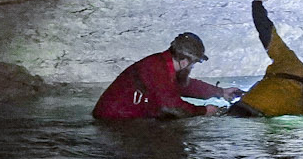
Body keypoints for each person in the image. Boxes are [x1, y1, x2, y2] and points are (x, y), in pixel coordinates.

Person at [92, 32, 243, 120]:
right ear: (184, 62)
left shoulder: (162, 64)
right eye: (193, 64)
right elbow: (171, 106)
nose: (192, 67)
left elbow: (186, 85)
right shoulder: (156, 68)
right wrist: (204, 111)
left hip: (121, 120)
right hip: (113, 124)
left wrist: (221, 92)